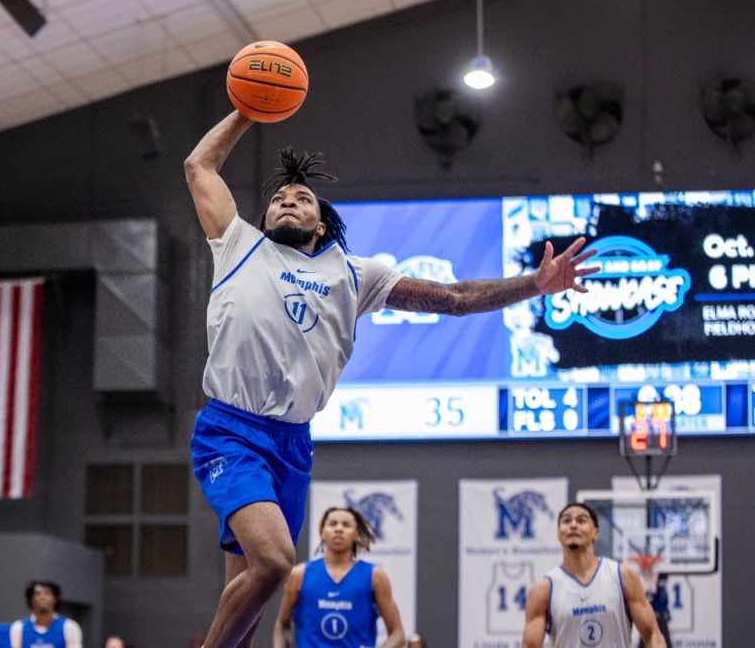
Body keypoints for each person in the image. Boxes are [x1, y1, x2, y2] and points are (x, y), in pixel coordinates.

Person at [184, 109, 599, 648]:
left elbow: (455, 299)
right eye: (279, 198)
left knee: (250, 590)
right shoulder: (239, 245)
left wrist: (535, 285)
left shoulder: (356, 274)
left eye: (303, 198)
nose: (288, 200)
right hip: (231, 430)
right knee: (275, 562)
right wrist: (247, 109)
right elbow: (200, 166)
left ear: (322, 221)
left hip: (291, 442)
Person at [522, 503, 666, 648]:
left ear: (595, 533)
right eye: (566, 521)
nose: (573, 525)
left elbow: (654, 636)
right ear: (558, 534)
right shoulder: (543, 590)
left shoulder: (622, 576)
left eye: (581, 520)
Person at [273, 507, 405, 647]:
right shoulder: (299, 575)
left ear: (357, 535)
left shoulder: (374, 576)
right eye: (332, 524)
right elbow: (282, 625)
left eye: (346, 525)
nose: (339, 529)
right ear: (322, 532)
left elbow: (398, 633)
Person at [9, 580, 83, 648]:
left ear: (55, 599)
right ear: (31, 600)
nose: (42, 597)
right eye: (37, 594)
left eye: (47, 593)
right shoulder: (18, 627)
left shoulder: (69, 626)